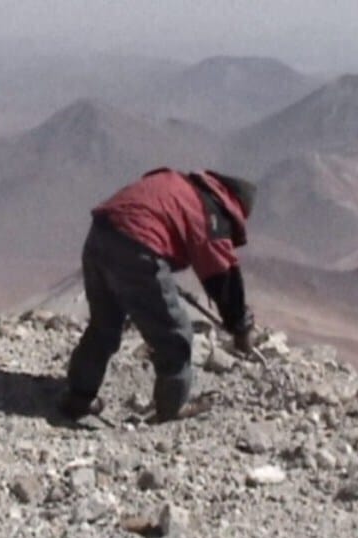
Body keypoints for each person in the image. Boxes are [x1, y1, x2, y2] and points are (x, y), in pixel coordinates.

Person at [62, 167, 257, 423]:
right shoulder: (213, 214)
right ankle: (171, 409)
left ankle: (78, 397)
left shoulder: (179, 186)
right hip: (137, 247)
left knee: (104, 326)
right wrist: (240, 327)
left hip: (100, 234)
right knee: (176, 336)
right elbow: (224, 277)